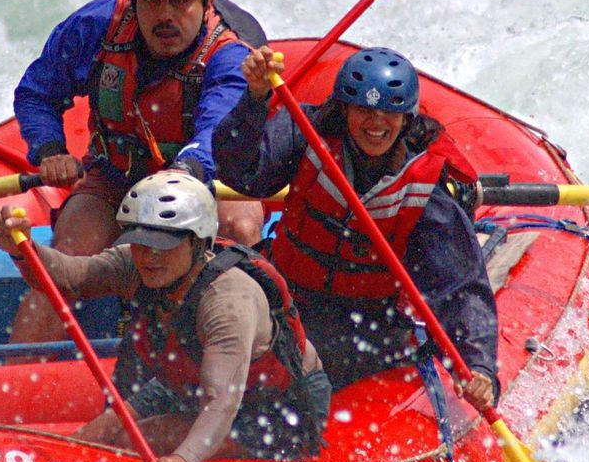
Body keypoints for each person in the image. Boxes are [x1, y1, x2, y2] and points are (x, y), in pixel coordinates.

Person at [0, 172, 330, 462]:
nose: (148, 256)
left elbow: (222, 401)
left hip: (275, 408)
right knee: (92, 438)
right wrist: (22, 249)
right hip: (184, 383)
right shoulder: (135, 265)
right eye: (140, 243)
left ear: (196, 242)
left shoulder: (226, 302)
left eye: (161, 245)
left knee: (144, 439)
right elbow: (72, 278)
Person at [9, 0, 267, 342]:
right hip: (117, 175)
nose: (164, 16)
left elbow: (216, 136)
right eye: (151, 0)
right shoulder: (94, 27)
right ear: (134, 0)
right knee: (64, 258)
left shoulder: (231, 56)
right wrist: (50, 150)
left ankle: (238, 344)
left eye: (178, 1)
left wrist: (183, 175)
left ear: (207, 3)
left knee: (239, 223)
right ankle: (19, 383)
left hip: (203, 180)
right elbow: (37, 93)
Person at [214, 46, 501, 409]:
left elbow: (459, 287)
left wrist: (479, 368)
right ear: (345, 109)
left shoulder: (427, 190)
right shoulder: (306, 133)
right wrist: (254, 99)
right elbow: (242, 173)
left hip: (367, 324)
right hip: (288, 299)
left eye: (389, 113)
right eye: (363, 110)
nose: (375, 123)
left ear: (406, 117)